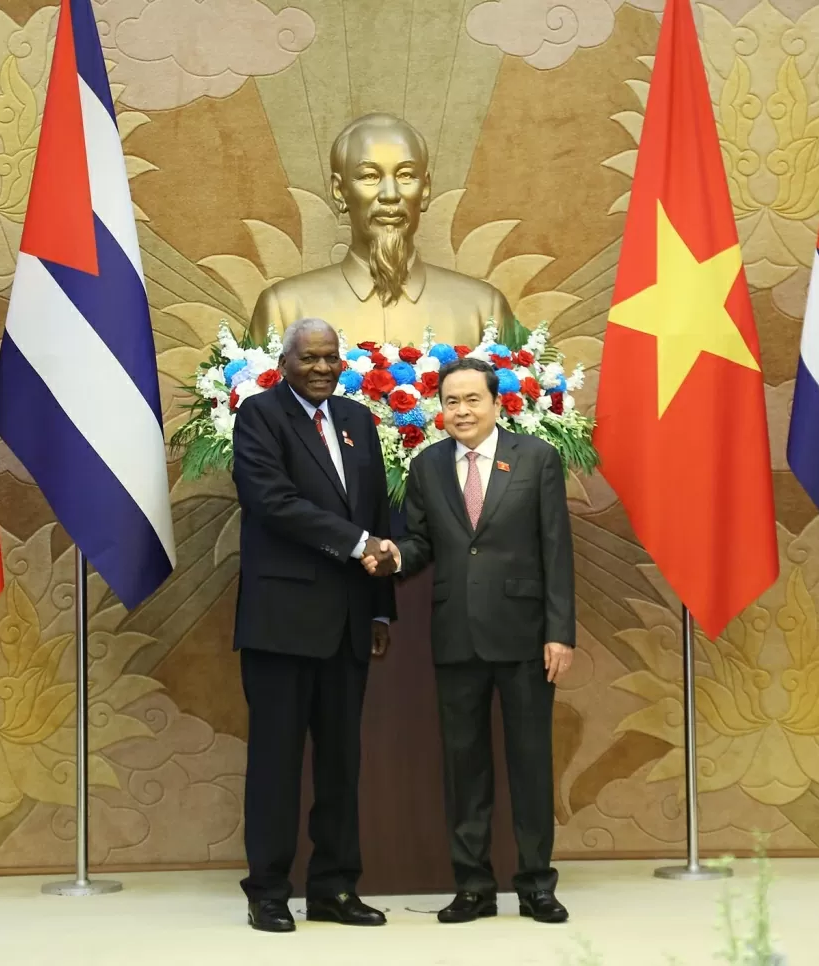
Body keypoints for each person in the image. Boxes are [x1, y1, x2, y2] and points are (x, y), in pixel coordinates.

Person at [364, 357, 576, 924]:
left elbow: (556, 549)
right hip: (456, 633)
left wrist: (560, 633)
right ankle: (473, 887)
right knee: (464, 767)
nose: (461, 411)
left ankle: (536, 885)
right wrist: (393, 557)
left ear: (497, 402)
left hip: (526, 636)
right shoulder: (427, 465)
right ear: (440, 409)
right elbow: (420, 543)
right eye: (451, 401)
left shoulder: (536, 457)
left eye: (472, 399)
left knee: (530, 764)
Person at [232, 317, 398, 932]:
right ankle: (268, 892)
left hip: (349, 623)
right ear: (285, 363)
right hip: (281, 624)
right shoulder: (259, 416)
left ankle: (334, 887)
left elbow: (375, 510)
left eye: (331, 358)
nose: (323, 368)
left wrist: (379, 605)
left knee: (340, 765)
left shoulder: (357, 420)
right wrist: (359, 544)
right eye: (310, 358)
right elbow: (272, 502)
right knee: (276, 764)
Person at [247, 113, 513, 349]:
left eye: (406, 175)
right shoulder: (284, 309)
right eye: (369, 176)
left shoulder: (484, 310)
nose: (390, 194)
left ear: (425, 190)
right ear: (339, 191)